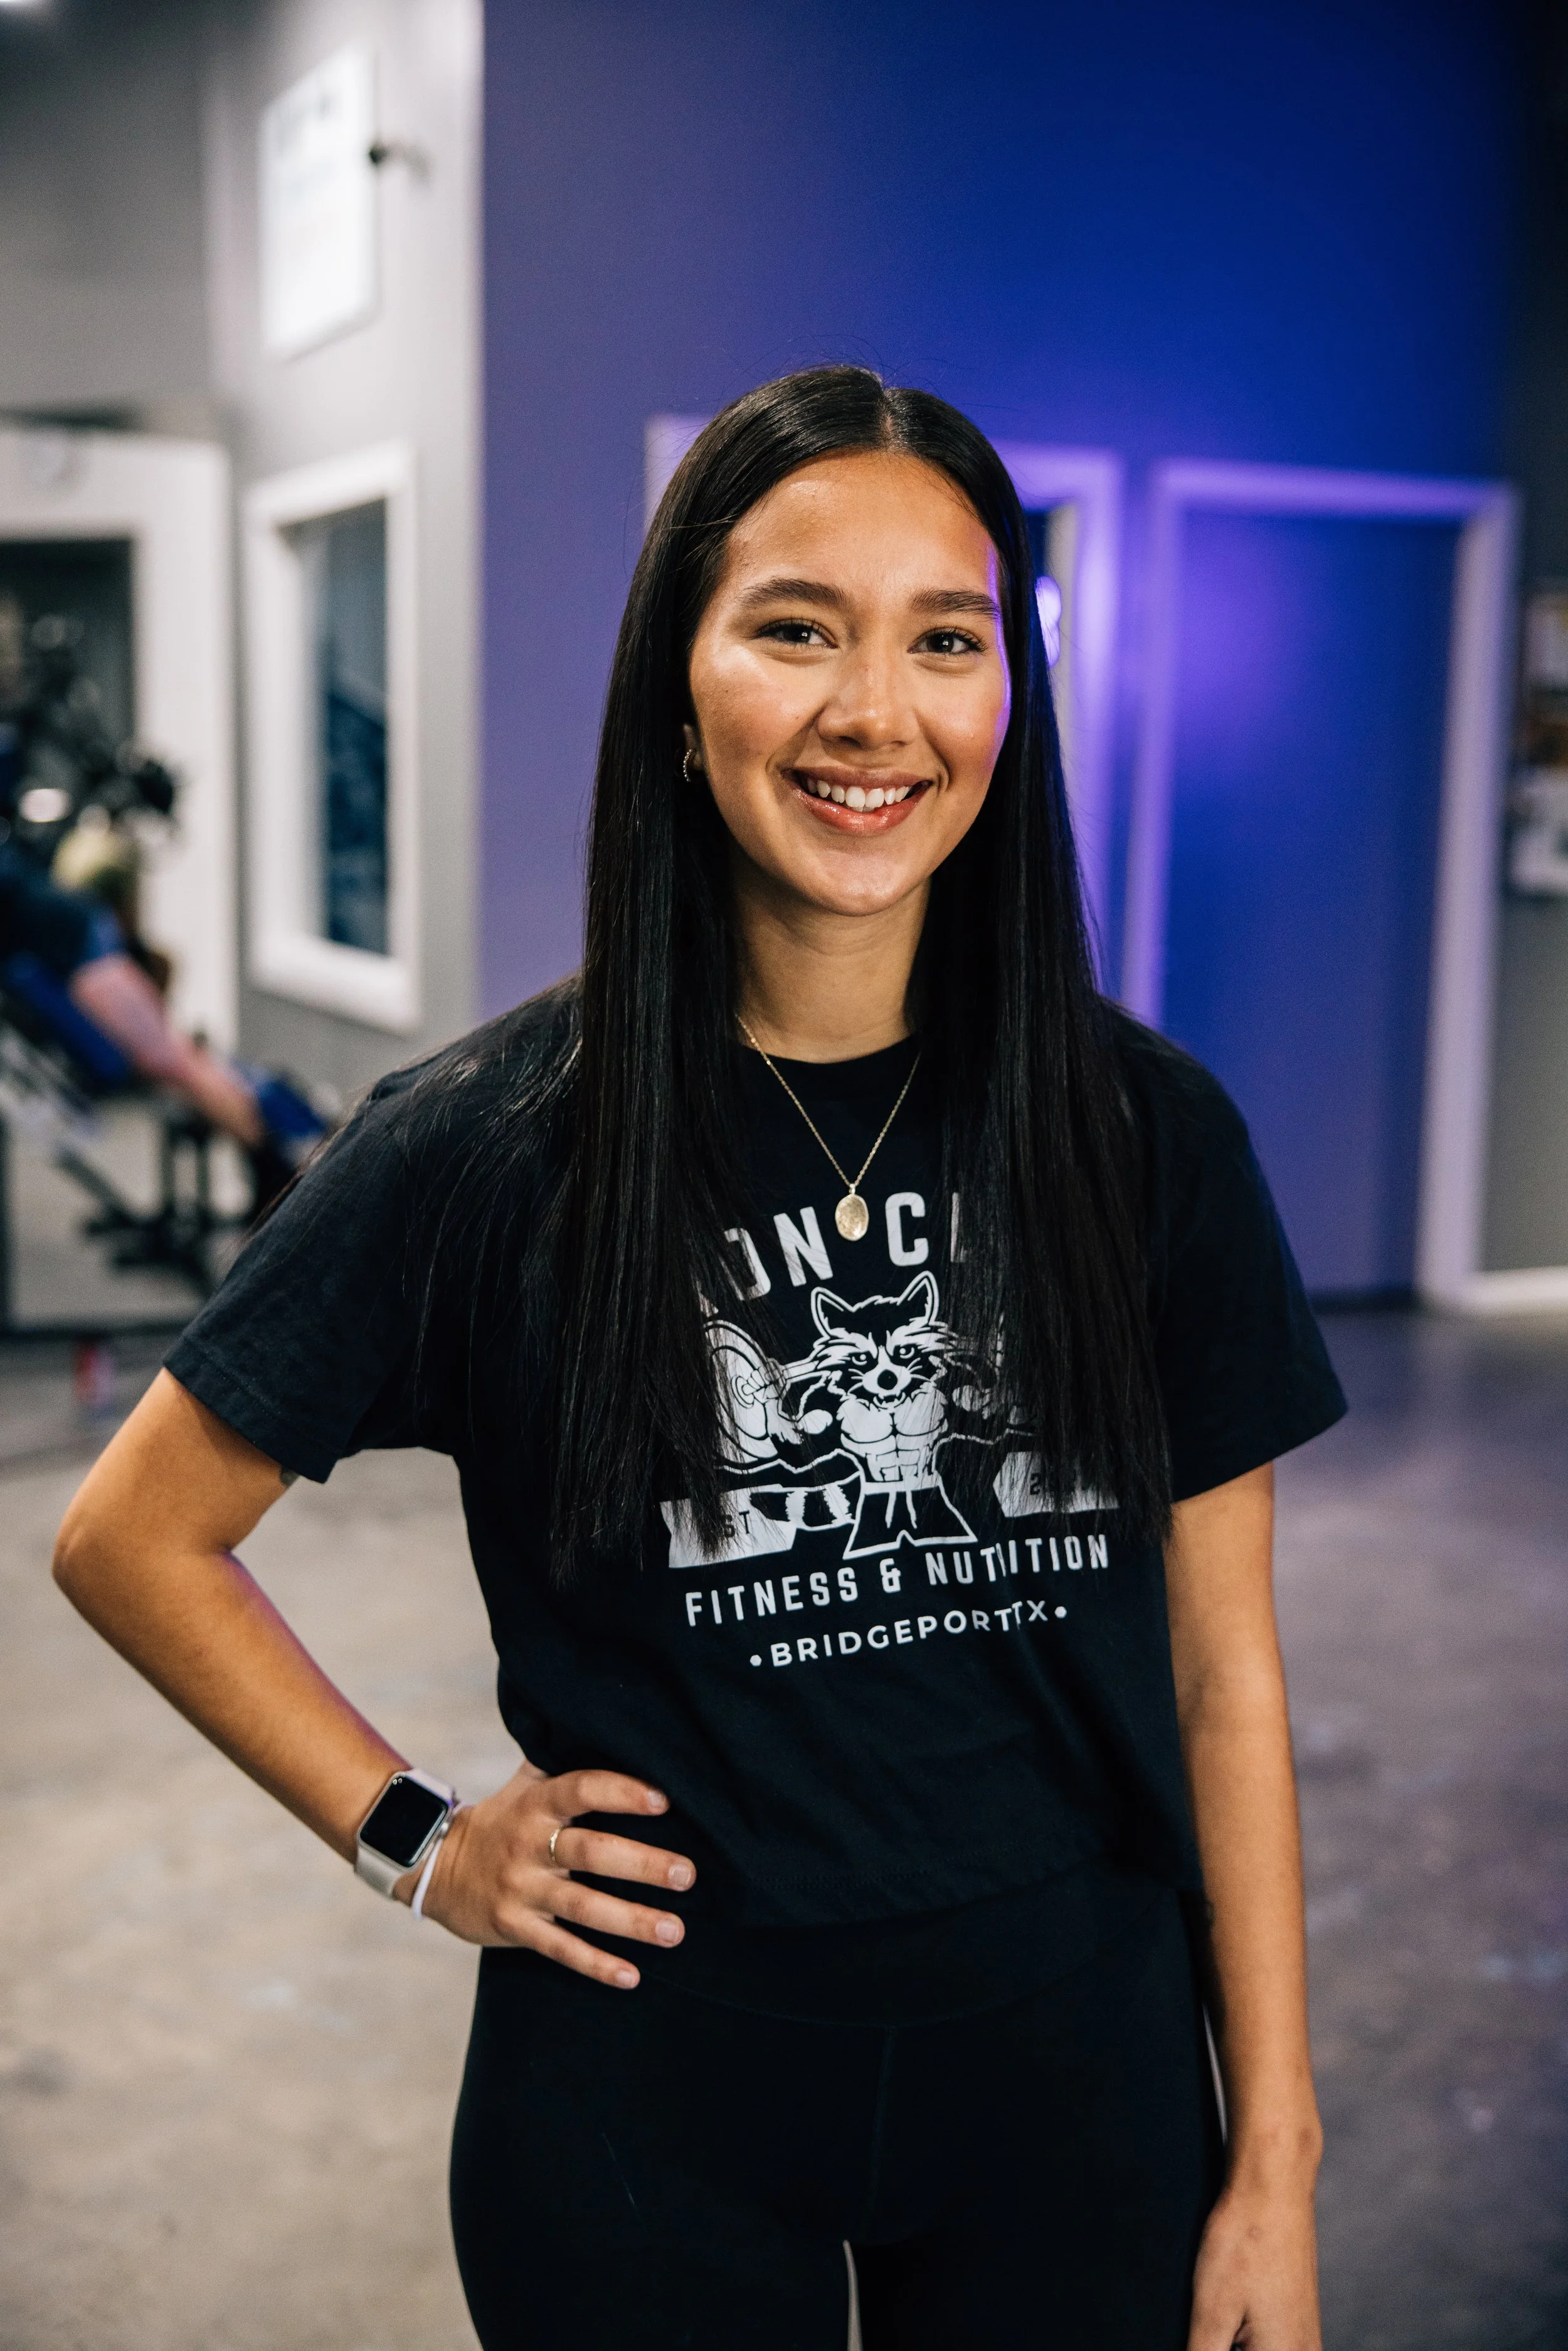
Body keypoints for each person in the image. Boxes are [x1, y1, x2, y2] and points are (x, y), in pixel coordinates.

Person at [52, 368, 1345, 2350]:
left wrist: (1274, 2157)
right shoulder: (492, 1138)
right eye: (792, 628)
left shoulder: (1137, 1131)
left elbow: (1219, 1669)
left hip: (1070, 2077)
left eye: (944, 637)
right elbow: (133, 1531)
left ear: (1009, 696)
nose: (871, 712)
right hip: (647, 2093)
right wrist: (415, 1837)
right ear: (677, 686)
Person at [0, 837, 324, 1202]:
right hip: (79, 951)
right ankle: (270, 1162)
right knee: (182, 1061)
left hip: (86, 960)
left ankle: (273, 1167)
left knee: (180, 1063)